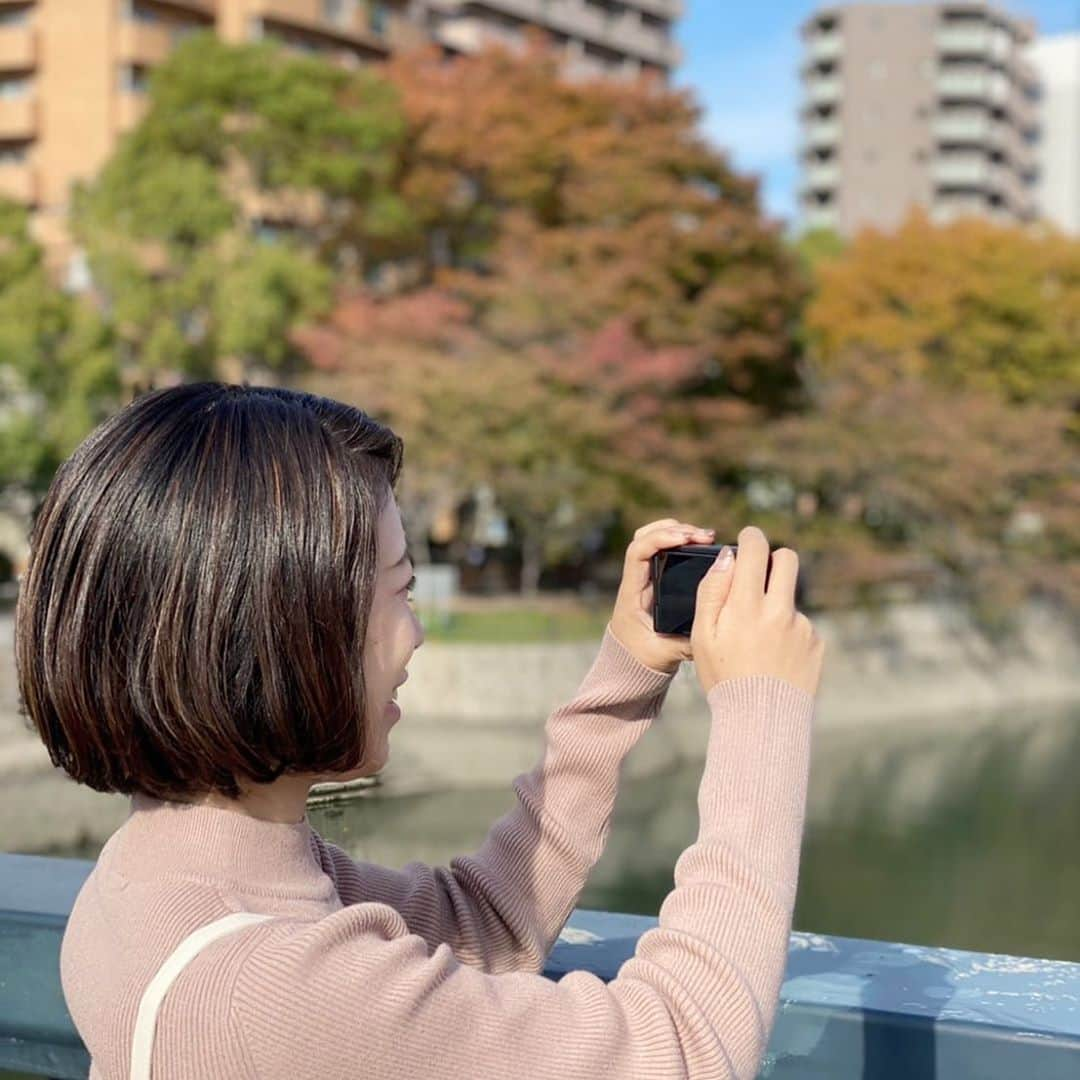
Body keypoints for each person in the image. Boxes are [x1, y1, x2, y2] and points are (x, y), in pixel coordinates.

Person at [16, 382, 825, 1080]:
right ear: (282, 625)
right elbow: (682, 1051)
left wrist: (624, 677)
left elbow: (481, 931)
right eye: (399, 589)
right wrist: (763, 710)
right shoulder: (277, 984)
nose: (418, 633)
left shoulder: (161, 879)